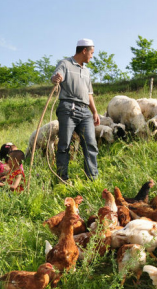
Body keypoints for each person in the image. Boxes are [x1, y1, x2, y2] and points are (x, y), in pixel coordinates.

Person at [51, 38, 100, 181]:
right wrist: (55, 78)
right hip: (68, 108)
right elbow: (55, 77)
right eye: (91, 52)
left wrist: (94, 111)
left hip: (85, 111)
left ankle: (92, 179)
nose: (92, 56)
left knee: (91, 144)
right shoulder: (65, 64)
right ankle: (62, 179)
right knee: (64, 145)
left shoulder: (87, 72)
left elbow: (89, 93)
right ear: (84, 50)